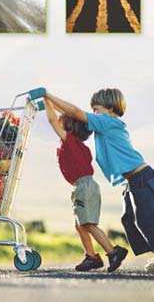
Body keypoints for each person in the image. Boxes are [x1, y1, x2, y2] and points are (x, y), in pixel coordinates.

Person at [30, 87, 154, 273]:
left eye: (96, 109)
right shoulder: (104, 124)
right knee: (133, 221)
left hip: (142, 177)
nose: (93, 114)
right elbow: (72, 116)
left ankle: (112, 253)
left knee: (146, 221)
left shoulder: (107, 121)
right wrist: (49, 104)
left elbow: (75, 113)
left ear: (111, 107)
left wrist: (48, 95)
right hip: (134, 181)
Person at [44, 98, 128, 272]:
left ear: (69, 126)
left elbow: (52, 120)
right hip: (84, 186)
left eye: (62, 121)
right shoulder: (78, 145)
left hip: (84, 186)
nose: (58, 122)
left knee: (88, 224)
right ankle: (91, 257)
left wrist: (46, 100)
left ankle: (113, 252)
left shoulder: (70, 141)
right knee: (80, 224)